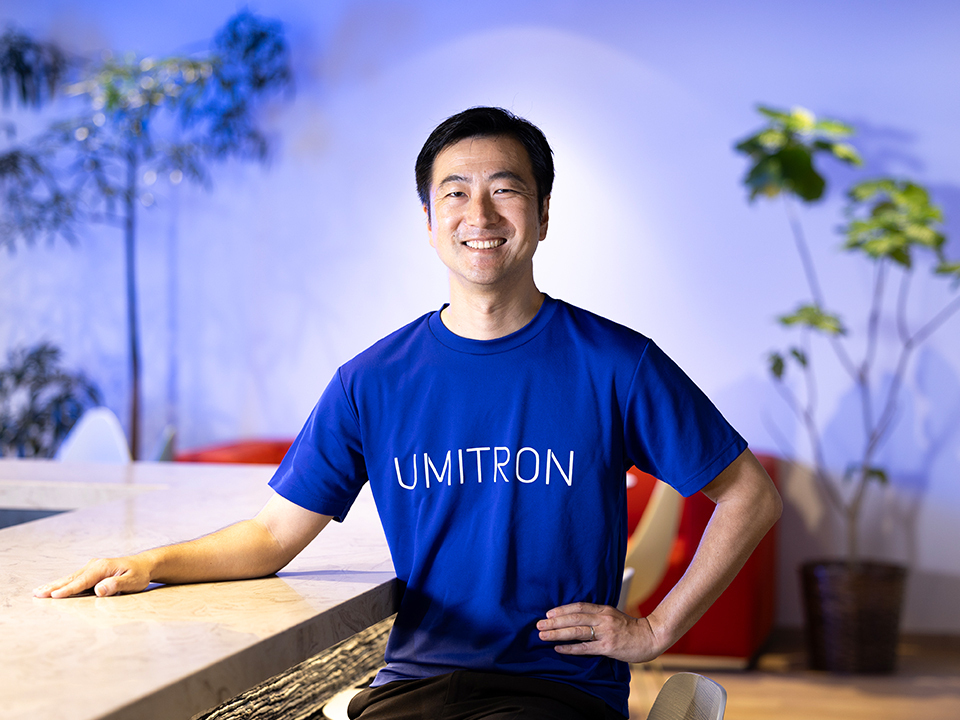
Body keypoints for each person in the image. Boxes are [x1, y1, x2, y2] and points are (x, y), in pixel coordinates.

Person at [35, 107, 782, 720]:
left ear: (544, 215)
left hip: (557, 693)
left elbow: (749, 494)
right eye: (454, 192)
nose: (479, 212)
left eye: (506, 189)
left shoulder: (617, 364)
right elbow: (269, 536)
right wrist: (149, 562)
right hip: (413, 686)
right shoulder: (373, 380)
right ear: (428, 220)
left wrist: (655, 628)